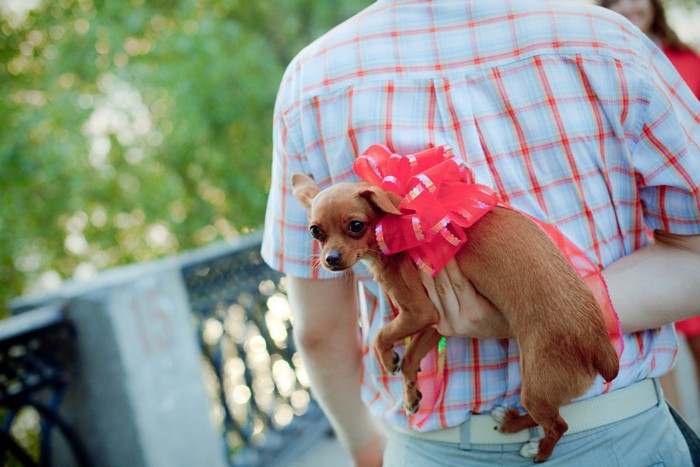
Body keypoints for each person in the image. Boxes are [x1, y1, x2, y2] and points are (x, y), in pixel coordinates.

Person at [261, 0, 700, 465]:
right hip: (619, 436)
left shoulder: (312, 80)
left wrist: (365, 444)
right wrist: (551, 307)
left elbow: (320, 332)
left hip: (433, 449)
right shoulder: (606, 38)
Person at [600, 0, 700, 420]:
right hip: (640, 227)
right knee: (659, 342)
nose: (629, 5)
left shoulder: (684, 60)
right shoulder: (604, 59)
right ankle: (674, 426)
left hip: (687, 219)